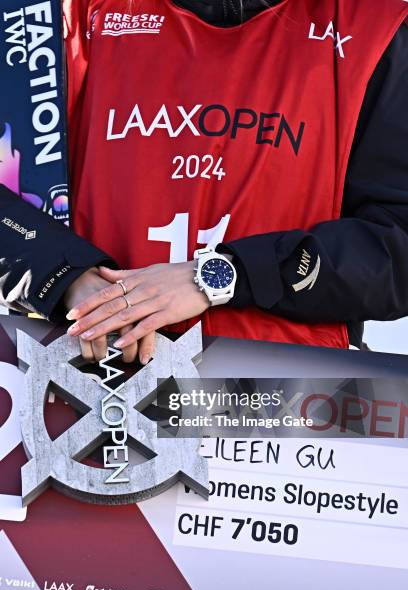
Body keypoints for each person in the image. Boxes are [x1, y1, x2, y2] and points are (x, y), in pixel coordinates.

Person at [1, 0, 408, 363]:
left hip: (279, 403)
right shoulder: (54, 16)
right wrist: (64, 277)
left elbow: (397, 244)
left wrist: (222, 275)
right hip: (83, 380)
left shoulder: (377, 29)